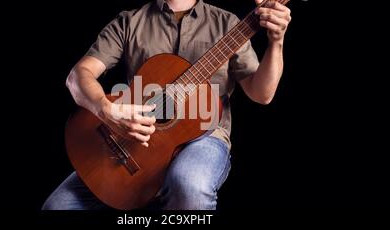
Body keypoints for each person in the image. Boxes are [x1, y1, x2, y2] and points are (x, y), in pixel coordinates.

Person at [42, 0, 291, 210]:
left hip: (205, 137)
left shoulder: (228, 24)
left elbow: (262, 94)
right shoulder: (129, 21)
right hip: (135, 140)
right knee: (58, 206)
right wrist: (107, 111)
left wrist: (276, 42)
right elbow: (79, 75)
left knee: (189, 184)